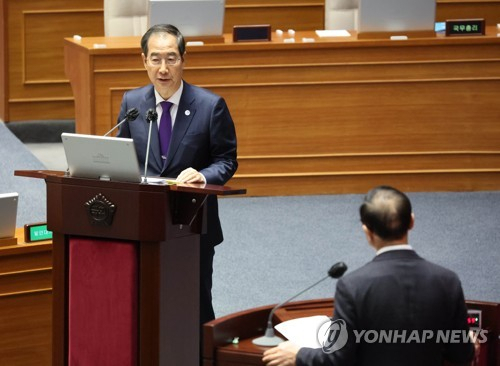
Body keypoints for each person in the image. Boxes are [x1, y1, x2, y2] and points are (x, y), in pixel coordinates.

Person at [263, 185, 475, 366]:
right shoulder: (448, 280)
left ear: (367, 231)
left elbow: (339, 358)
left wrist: (299, 354)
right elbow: (461, 355)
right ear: (411, 221)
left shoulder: (353, 285)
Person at [116, 24, 238, 325]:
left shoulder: (210, 106)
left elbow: (226, 160)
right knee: (143, 299)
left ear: (184, 59)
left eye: (171, 58)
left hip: (193, 222)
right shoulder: (132, 103)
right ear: (143, 60)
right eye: (155, 59)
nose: (163, 68)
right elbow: (121, 154)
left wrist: (203, 175)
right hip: (144, 219)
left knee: (194, 301)